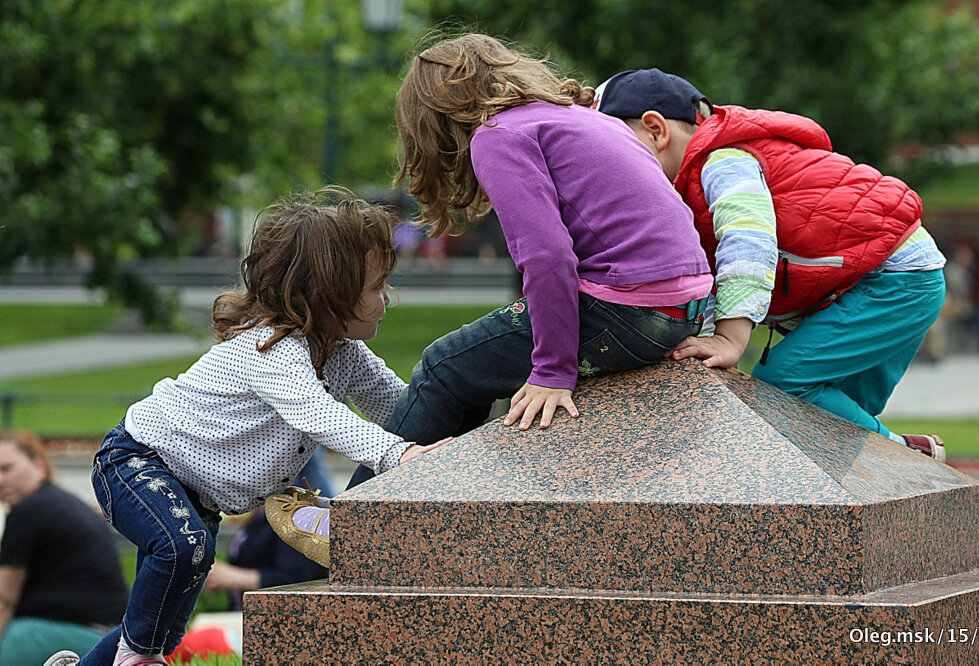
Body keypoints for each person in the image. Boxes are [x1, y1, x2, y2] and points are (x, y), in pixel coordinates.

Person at [45, 187, 447, 666]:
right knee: (182, 550)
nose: (387, 299)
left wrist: (457, 445)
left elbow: (399, 406)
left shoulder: (344, 354)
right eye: (376, 287)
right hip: (138, 461)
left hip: (195, 497)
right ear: (329, 292)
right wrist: (394, 454)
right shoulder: (271, 349)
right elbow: (318, 414)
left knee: (162, 627)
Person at [341, 34, 712, 490]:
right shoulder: (585, 118)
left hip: (627, 308)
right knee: (473, 372)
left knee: (443, 366)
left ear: (433, 117)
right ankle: (440, 499)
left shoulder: (499, 134)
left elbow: (549, 257)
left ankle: (350, 523)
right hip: (687, 307)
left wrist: (554, 371)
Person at [593, 68, 948, 460]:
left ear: (656, 131)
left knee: (783, 386)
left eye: (617, 153)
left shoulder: (721, 161)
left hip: (891, 279)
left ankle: (909, 461)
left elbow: (749, 237)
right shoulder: (691, 185)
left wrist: (729, 338)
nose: (614, 175)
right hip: (882, 280)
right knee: (824, 426)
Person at [0, 431, 127, 666]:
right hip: (111, 636)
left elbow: (4, 598)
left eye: (6, 469)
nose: (0, 480)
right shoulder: (65, 504)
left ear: (39, 465)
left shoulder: (27, 511)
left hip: (68, 635)